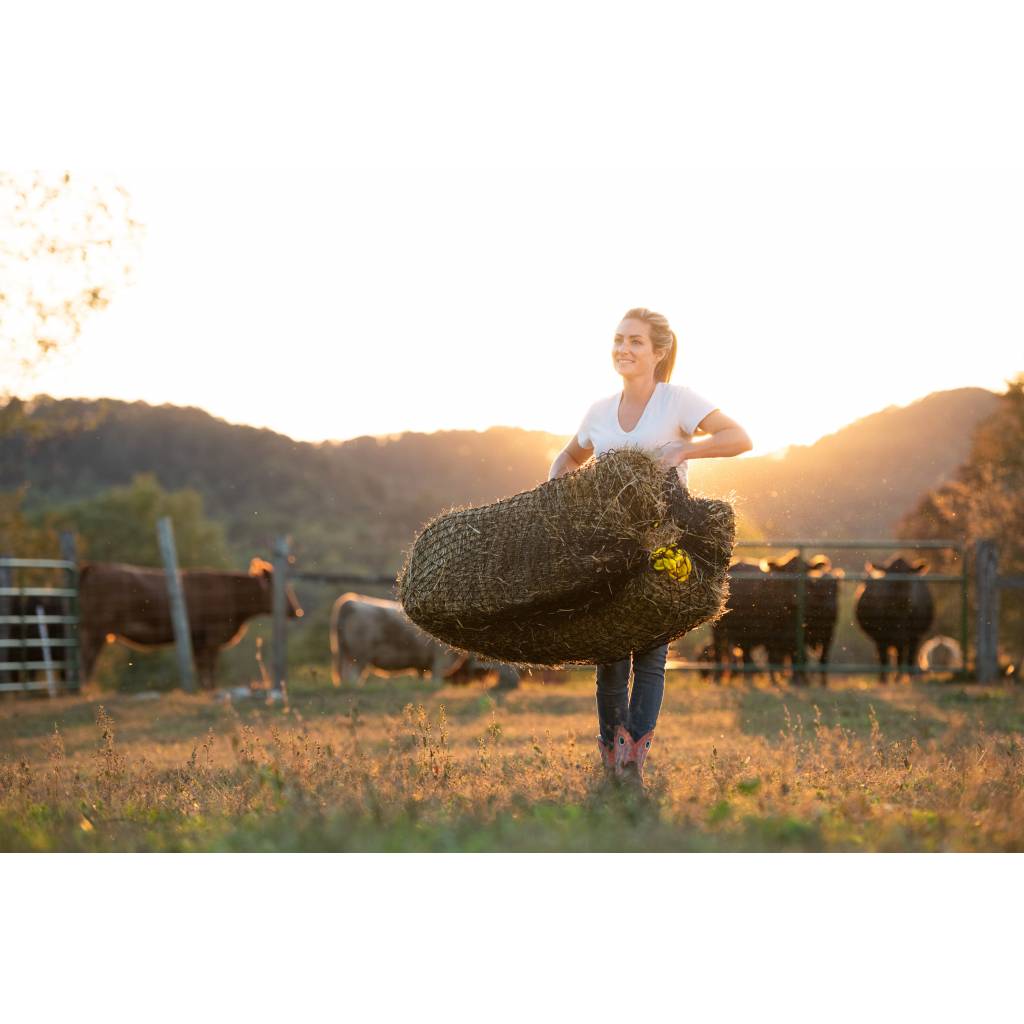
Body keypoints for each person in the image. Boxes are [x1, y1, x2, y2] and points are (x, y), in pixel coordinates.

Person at [548, 308, 752, 787]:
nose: (624, 349)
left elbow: (739, 437)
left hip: (665, 546)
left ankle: (634, 763)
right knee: (610, 655)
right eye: (619, 340)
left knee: (651, 657)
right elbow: (567, 455)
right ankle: (611, 759)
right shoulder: (598, 411)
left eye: (636, 341)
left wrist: (685, 450)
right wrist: (555, 495)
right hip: (607, 551)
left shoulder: (678, 401)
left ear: (659, 352)